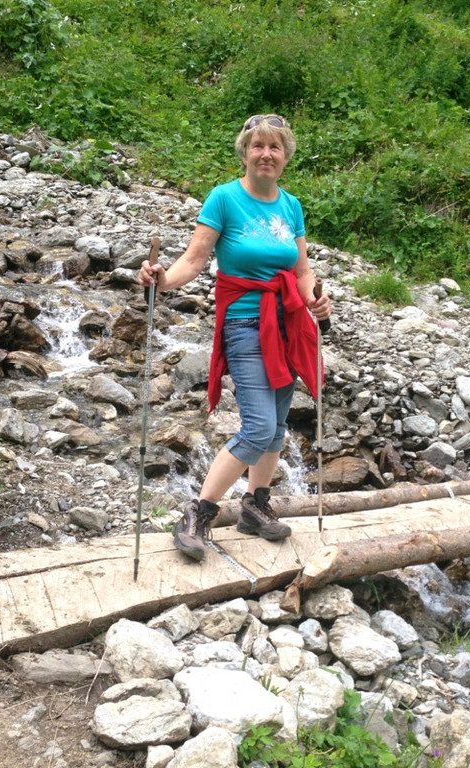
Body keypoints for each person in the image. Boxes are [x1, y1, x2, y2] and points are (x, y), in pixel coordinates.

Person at [138, 113, 332, 562]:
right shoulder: (224, 198)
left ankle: (255, 506)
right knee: (259, 425)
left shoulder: (291, 206)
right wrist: (161, 281)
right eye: (257, 146)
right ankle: (198, 513)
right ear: (244, 153)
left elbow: (301, 271)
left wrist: (316, 300)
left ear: (285, 156)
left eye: (275, 147)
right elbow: (194, 260)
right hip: (245, 324)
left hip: (286, 324)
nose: (266, 154)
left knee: (276, 425)